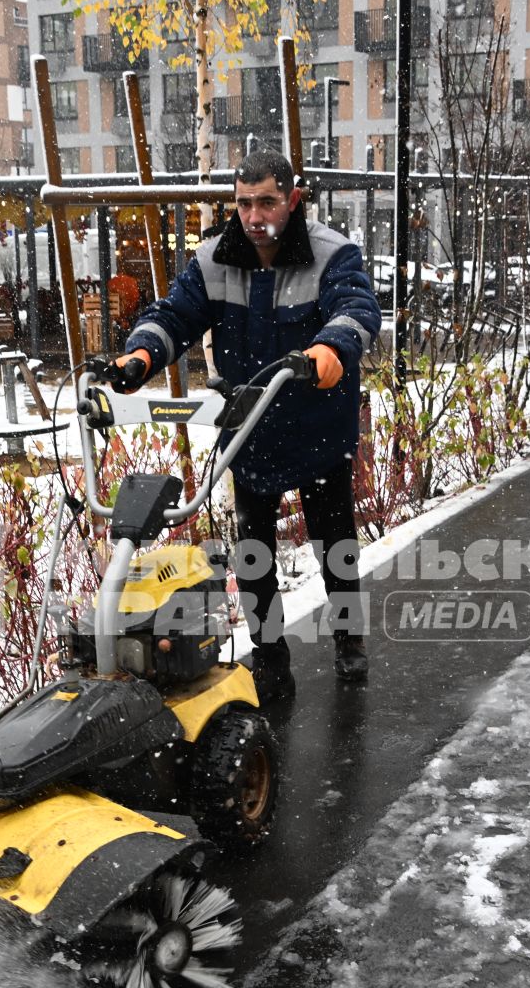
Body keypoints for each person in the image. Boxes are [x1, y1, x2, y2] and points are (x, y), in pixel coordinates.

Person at [99, 149, 382, 700]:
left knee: (334, 544)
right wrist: (141, 355)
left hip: (317, 424)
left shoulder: (331, 253)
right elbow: (174, 316)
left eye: (267, 202)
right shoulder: (214, 260)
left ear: (292, 199)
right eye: (244, 203)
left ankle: (348, 639)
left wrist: (331, 346)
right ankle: (270, 655)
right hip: (249, 431)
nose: (254, 216)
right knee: (254, 556)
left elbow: (357, 308)